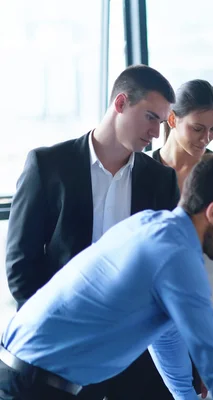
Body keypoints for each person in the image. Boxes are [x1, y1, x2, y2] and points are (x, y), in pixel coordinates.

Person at [0, 154, 213, 400]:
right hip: (34, 386)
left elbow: (164, 334)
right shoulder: (177, 257)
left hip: (22, 372)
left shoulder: (150, 225)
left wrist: (185, 396)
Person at [5, 65, 180, 399]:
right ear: (120, 103)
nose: (157, 133)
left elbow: (164, 269)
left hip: (132, 355)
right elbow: (20, 262)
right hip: (60, 354)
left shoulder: (161, 180)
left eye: (162, 122)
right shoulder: (48, 166)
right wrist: (53, 332)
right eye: (151, 118)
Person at [149, 79, 213, 352]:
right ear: (171, 119)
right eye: (197, 128)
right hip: (154, 317)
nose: (206, 138)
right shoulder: (142, 172)